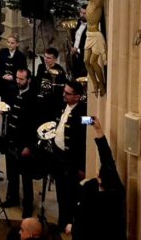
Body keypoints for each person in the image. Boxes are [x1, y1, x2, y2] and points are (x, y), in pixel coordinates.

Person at [67, 115, 125, 240]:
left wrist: (71, 227)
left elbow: (81, 224)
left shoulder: (90, 197)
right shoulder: (118, 191)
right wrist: (99, 131)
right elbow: (107, 159)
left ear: (99, 178)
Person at [0, 68, 37, 215]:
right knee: (12, 172)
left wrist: (29, 146)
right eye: (17, 78)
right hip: (11, 138)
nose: (18, 81)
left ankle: (28, 204)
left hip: (24, 142)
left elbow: (34, 125)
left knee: (26, 176)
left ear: (28, 80)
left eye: (22, 79)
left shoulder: (33, 97)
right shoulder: (12, 90)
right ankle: (13, 197)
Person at [51, 80, 87, 231]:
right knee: (60, 192)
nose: (64, 95)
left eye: (67, 93)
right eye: (64, 91)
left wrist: (82, 166)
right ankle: (62, 222)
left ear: (77, 97)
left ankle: (70, 225)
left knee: (70, 195)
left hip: (72, 160)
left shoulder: (84, 113)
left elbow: (85, 139)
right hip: (58, 156)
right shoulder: (63, 105)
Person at [34, 47, 67, 124]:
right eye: (45, 56)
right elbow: (37, 82)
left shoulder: (60, 70)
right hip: (40, 101)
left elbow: (60, 89)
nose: (45, 59)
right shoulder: (41, 67)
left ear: (55, 59)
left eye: (48, 58)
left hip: (52, 103)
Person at [69, 6, 88, 79]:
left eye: (84, 13)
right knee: (74, 77)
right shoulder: (78, 22)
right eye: (81, 12)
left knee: (82, 78)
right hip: (75, 55)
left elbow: (88, 44)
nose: (82, 15)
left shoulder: (91, 27)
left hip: (84, 56)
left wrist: (77, 50)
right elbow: (76, 38)